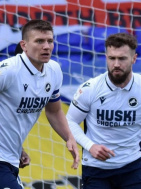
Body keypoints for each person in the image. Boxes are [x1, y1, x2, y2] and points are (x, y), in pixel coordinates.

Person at [66, 33, 141, 189]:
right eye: (112, 58)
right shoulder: (90, 88)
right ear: (106, 57)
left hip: (131, 166)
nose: (116, 64)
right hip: (96, 169)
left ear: (134, 59)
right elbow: (70, 121)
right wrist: (90, 146)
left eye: (122, 59)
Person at [0, 19, 79, 189]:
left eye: (50, 41)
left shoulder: (54, 70)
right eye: (39, 41)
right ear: (24, 45)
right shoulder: (8, 70)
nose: (46, 46)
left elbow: (54, 111)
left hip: (11, 158)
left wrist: (69, 137)